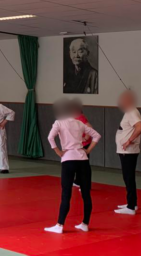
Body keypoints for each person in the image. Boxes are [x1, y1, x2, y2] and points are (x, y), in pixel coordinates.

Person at [44, 98, 101, 234]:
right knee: (86, 193)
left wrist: (58, 151)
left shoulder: (59, 123)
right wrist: (88, 150)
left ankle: (60, 225)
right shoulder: (79, 123)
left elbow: (50, 137)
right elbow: (97, 136)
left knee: (66, 193)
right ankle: (85, 224)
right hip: (83, 159)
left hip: (68, 159)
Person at [114, 90, 141, 215]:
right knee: (128, 177)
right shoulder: (129, 112)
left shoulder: (132, 111)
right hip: (126, 151)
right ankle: (132, 203)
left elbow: (140, 127)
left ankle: (131, 207)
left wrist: (129, 141)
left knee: (128, 177)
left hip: (128, 151)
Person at [70, 98, 93, 188]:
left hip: (84, 145)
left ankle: (86, 184)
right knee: (78, 164)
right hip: (78, 145)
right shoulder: (74, 117)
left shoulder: (80, 117)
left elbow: (90, 128)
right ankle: (78, 181)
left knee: (84, 165)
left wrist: (86, 137)